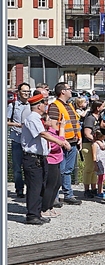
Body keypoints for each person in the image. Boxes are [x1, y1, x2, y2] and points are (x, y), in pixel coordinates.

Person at [20, 92, 69, 225]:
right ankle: (32, 215)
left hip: (40, 158)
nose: (46, 106)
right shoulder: (32, 118)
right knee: (34, 187)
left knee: (41, 186)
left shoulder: (37, 118)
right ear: (39, 106)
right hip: (32, 158)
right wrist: (59, 141)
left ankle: (37, 213)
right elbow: (42, 134)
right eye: (44, 103)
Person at [50, 82, 83, 205]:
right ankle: (55, 197)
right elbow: (53, 126)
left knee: (68, 170)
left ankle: (68, 194)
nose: (71, 91)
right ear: (62, 91)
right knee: (59, 170)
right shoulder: (55, 106)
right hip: (62, 143)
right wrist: (61, 141)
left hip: (73, 141)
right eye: (69, 89)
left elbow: (75, 123)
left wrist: (79, 137)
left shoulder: (69, 105)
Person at [7, 82, 32, 199]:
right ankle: (19, 189)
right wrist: (17, 124)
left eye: (28, 91)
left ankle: (31, 188)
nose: (26, 93)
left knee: (30, 167)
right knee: (17, 167)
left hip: (30, 140)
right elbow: (6, 121)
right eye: (24, 91)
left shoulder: (32, 105)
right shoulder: (13, 106)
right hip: (17, 139)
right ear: (19, 92)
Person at [79, 98, 103, 199]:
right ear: (97, 108)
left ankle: (94, 188)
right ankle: (86, 189)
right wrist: (95, 140)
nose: (104, 108)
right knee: (89, 167)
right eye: (102, 106)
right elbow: (87, 133)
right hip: (88, 144)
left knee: (95, 168)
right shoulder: (90, 118)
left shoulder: (99, 118)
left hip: (96, 144)